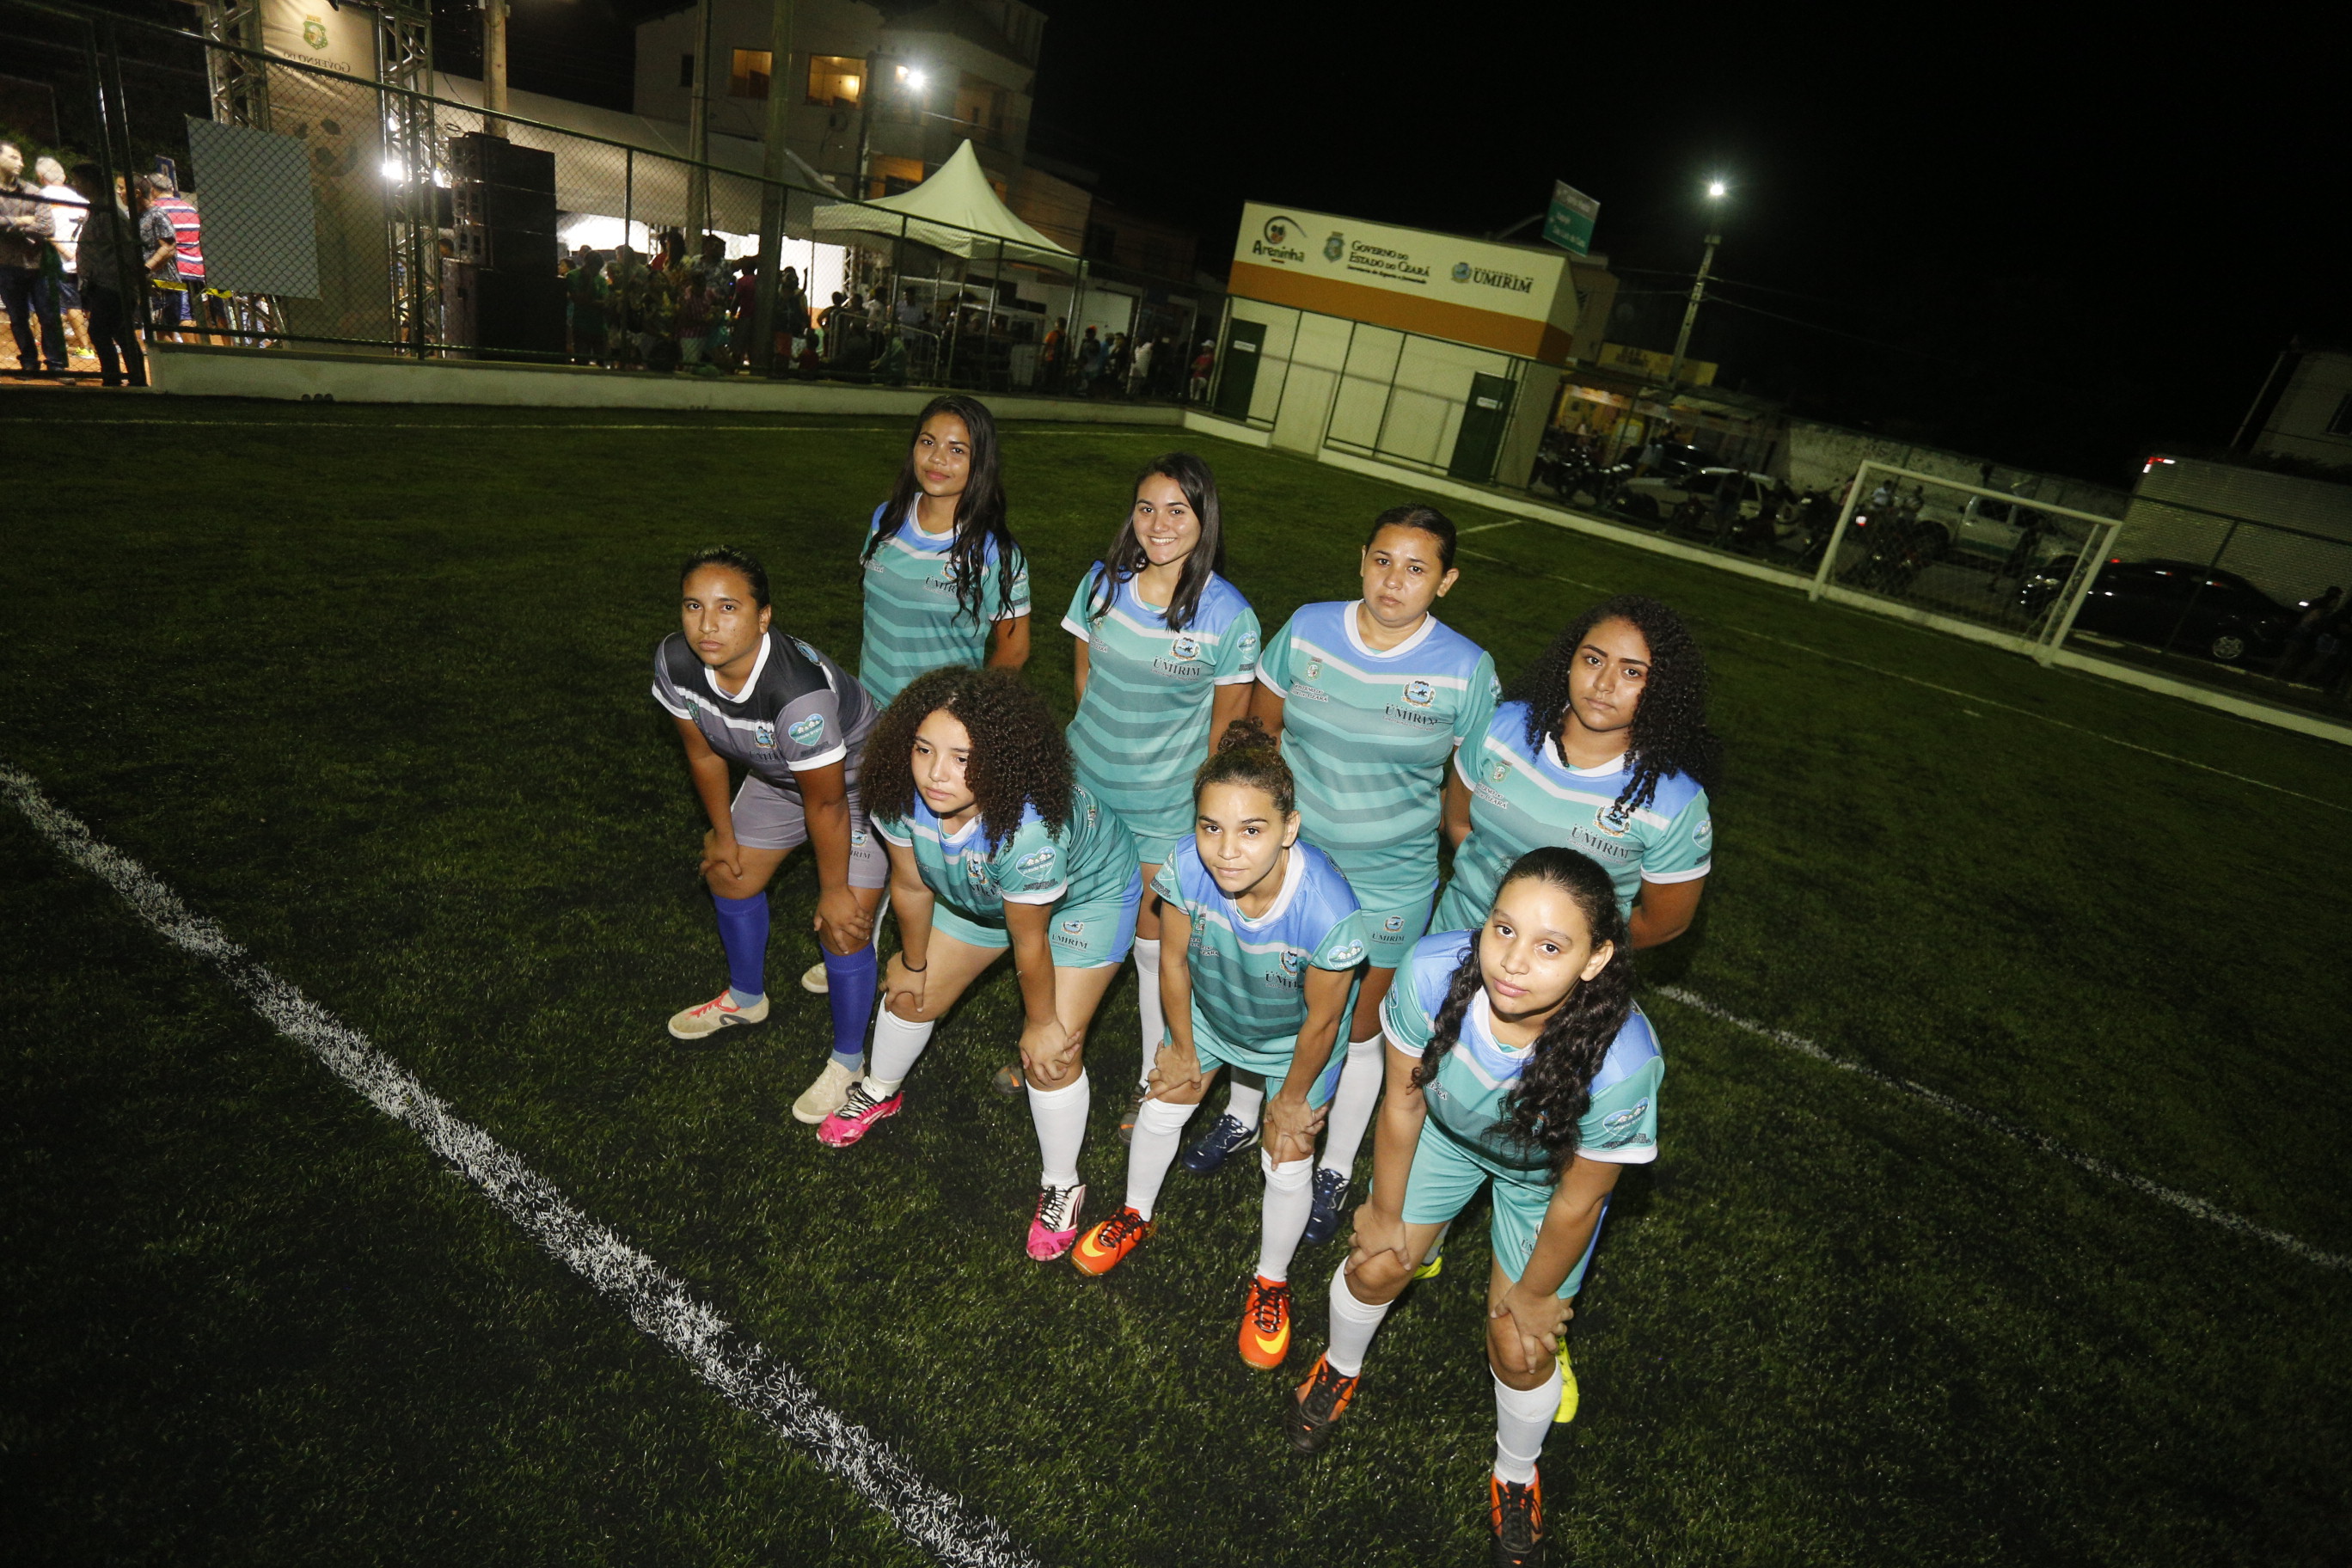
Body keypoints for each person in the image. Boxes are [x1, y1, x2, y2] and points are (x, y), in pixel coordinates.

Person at [1285, 847, 1662, 1568]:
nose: (1513, 962)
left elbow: (1581, 1201)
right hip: (1449, 1137)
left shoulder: (1622, 1061)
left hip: (1544, 1181)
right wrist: (1386, 1213)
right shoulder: (1431, 973)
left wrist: (1533, 1295)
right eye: (1503, 930)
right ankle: (1337, 1365)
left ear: (1595, 958)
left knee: (1520, 1346)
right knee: (1374, 1266)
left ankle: (1515, 1476)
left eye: (1550, 946)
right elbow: (1401, 1102)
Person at [818, 667, 1143, 1265]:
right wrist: (914, 963)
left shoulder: (1028, 832)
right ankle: (880, 1091)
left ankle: (1062, 1184)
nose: (936, 773)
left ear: (1001, 757)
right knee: (907, 996)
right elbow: (912, 887)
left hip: (1081, 902)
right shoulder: (898, 790)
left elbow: (1030, 941)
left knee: (1051, 1056)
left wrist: (1042, 1020)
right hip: (984, 890)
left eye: (962, 757)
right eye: (923, 749)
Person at [1070, 720, 1365, 1370]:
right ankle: (1134, 1214)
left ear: (1289, 828)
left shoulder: (1329, 910)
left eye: (1251, 830)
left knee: (1289, 1152)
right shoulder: (1183, 865)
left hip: (1295, 1040)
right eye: (1211, 827)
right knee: (1163, 1099)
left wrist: (1290, 1098)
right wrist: (1180, 1044)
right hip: (1214, 1010)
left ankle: (1271, 1281)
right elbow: (1172, 961)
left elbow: (1322, 1021)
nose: (1227, 851)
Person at [1244, 505, 1498, 1247]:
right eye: (1384, 560)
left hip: (1391, 882)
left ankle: (1333, 1163)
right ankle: (1242, 1112)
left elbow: (1465, 794)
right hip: (1296, 865)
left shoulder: (1465, 669)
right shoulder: (1309, 627)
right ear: (1361, 559)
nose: (1395, 580)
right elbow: (1264, 732)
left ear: (1446, 582)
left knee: (1361, 1028)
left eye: (1417, 568)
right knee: (1280, 996)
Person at [650, 548, 888, 1127]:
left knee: (844, 926)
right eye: (694, 606)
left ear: (763, 617)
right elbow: (702, 751)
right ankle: (746, 1000)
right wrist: (723, 834)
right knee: (729, 874)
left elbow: (827, 802)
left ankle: (849, 1062)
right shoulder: (675, 660)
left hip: (861, 787)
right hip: (780, 777)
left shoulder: (795, 693)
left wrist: (833, 891)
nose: (707, 625)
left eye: (728, 607)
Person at [1062, 452, 1260, 1126]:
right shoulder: (1101, 583)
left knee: (1154, 950)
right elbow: (1084, 680)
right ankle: (1058, 1046)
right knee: (1071, 925)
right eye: (1147, 508)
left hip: (1163, 809)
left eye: (1178, 510)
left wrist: (1196, 821)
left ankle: (1159, 1075)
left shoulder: (1229, 616)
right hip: (1084, 789)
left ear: (1204, 520)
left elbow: (1226, 731)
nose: (1159, 524)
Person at [1438, 597, 1718, 957]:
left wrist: (1573, 951)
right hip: (1451, 941)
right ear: (1569, 662)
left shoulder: (1674, 801)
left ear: (1663, 688)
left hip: (1559, 986)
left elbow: (1663, 923)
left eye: (1632, 672)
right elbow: (1458, 822)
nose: (1604, 683)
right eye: (1593, 659)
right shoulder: (1501, 727)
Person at [854, 394, 1032, 707]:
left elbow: (1014, 649)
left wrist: (965, 713)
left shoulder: (995, 553)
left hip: (936, 727)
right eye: (927, 442)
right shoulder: (886, 517)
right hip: (869, 713)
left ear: (981, 461)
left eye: (957, 449)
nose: (937, 458)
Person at [69, 164, 144, 386]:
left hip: (111, 282)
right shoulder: (100, 209)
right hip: (104, 281)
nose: (75, 186)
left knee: (100, 331)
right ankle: (133, 378)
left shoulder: (108, 212)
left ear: (90, 183)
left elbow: (126, 248)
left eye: (78, 181)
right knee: (121, 332)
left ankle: (112, 377)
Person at [1, 142, 64, 374]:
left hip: (38, 265)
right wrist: (23, 221)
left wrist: (8, 225)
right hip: (6, 264)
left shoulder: (33, 191)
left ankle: (55, 363)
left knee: (48, 316)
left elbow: (48, 227)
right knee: (18, 318)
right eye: (14, 157)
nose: (21, 163)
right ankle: (29, 361)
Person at [34, 157, 88, 360]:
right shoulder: (80, 198)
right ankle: (83, 345)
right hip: (82, 257)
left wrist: (65, 252)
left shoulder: (41, 196)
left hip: (56, 259)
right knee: (74, 302)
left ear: (40, 177)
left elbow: (47, 231)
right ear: (63, 176)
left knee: (57, 304)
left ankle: (61, 345)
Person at [567, 249, 609, 365]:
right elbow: (579, 300)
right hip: (581, 324)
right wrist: (590, 281)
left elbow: (605, 302)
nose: (597, 272)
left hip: (599, 326)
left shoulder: (600, 280)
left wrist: (588, 301)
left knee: (601, 361)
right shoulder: (573, 276)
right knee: (582, 358)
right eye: (595, 269)